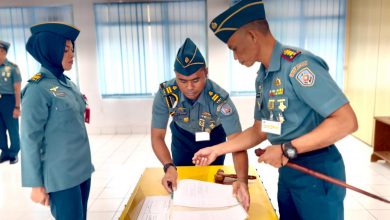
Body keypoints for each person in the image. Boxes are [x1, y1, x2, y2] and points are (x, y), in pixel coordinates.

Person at [192, 0, 358, 219]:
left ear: (252, 36)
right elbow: (260, 129)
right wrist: (218, 149)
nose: (235, 56)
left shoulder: (299, 66)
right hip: (288, 170)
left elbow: (346, 121)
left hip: (316, 170)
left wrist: (286, 149)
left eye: (234, 48)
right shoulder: (264, 78)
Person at [151, 38, 249, 203]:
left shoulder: (219, 98)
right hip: (182, 139)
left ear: (206, 72)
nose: (189, 87)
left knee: (213, 185)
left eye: (196, 80)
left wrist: (242, 181)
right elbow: (157, 136)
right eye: (182, 81)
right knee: (182, 186)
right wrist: (168, 167)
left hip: (214, 140)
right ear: (175, 76)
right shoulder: (166, 94)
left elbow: (237, 143)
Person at [21, 22, 94, 220]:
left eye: (72, 49)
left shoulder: (66, 83)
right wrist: (36, 184)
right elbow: (29, 139)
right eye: (65, 50)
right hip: (62, 177)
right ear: (50, 51)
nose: (72, 54)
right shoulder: (37, 89)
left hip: (82, 169)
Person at [0, 40, 21, 164]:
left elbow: (17, 88)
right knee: (0, 129)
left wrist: (17, 106)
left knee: (13, 128)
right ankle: (5, 152)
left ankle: (14, 153)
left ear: (4, 53)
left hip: (9, 100)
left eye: (0, 51)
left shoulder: (13, 68)